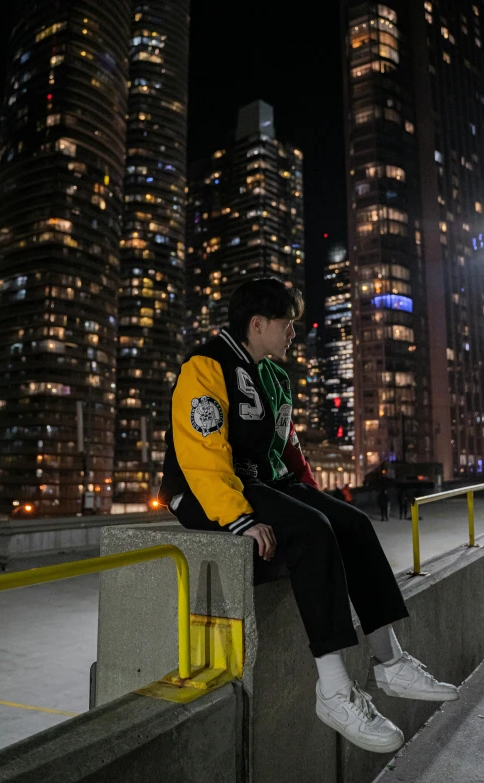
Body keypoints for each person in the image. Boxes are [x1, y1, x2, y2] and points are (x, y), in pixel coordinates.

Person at [159, 277, 458, 755]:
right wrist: (238, 518)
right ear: (257, 324)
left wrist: (321, 501)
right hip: (204, 489)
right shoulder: (207, 365)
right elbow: (201, 452)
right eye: (286, 324)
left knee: (351, 523)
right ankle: (334, 691)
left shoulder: (275, 377)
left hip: (262, 482)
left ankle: (390, 661)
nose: (293, 333)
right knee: (312, 532)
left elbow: (289, 451)